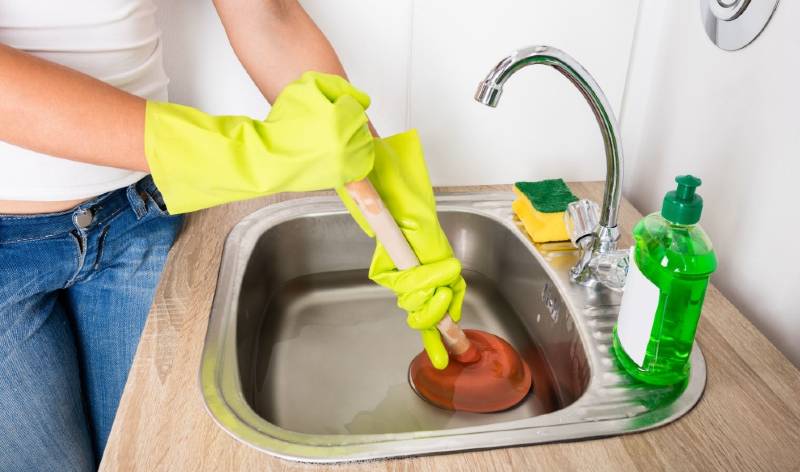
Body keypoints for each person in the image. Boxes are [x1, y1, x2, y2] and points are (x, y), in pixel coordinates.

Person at [0, 1, 464, 470]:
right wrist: (240, 154)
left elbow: (266, 13)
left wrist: (376, 175)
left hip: (138, 216)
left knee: (141, 456)